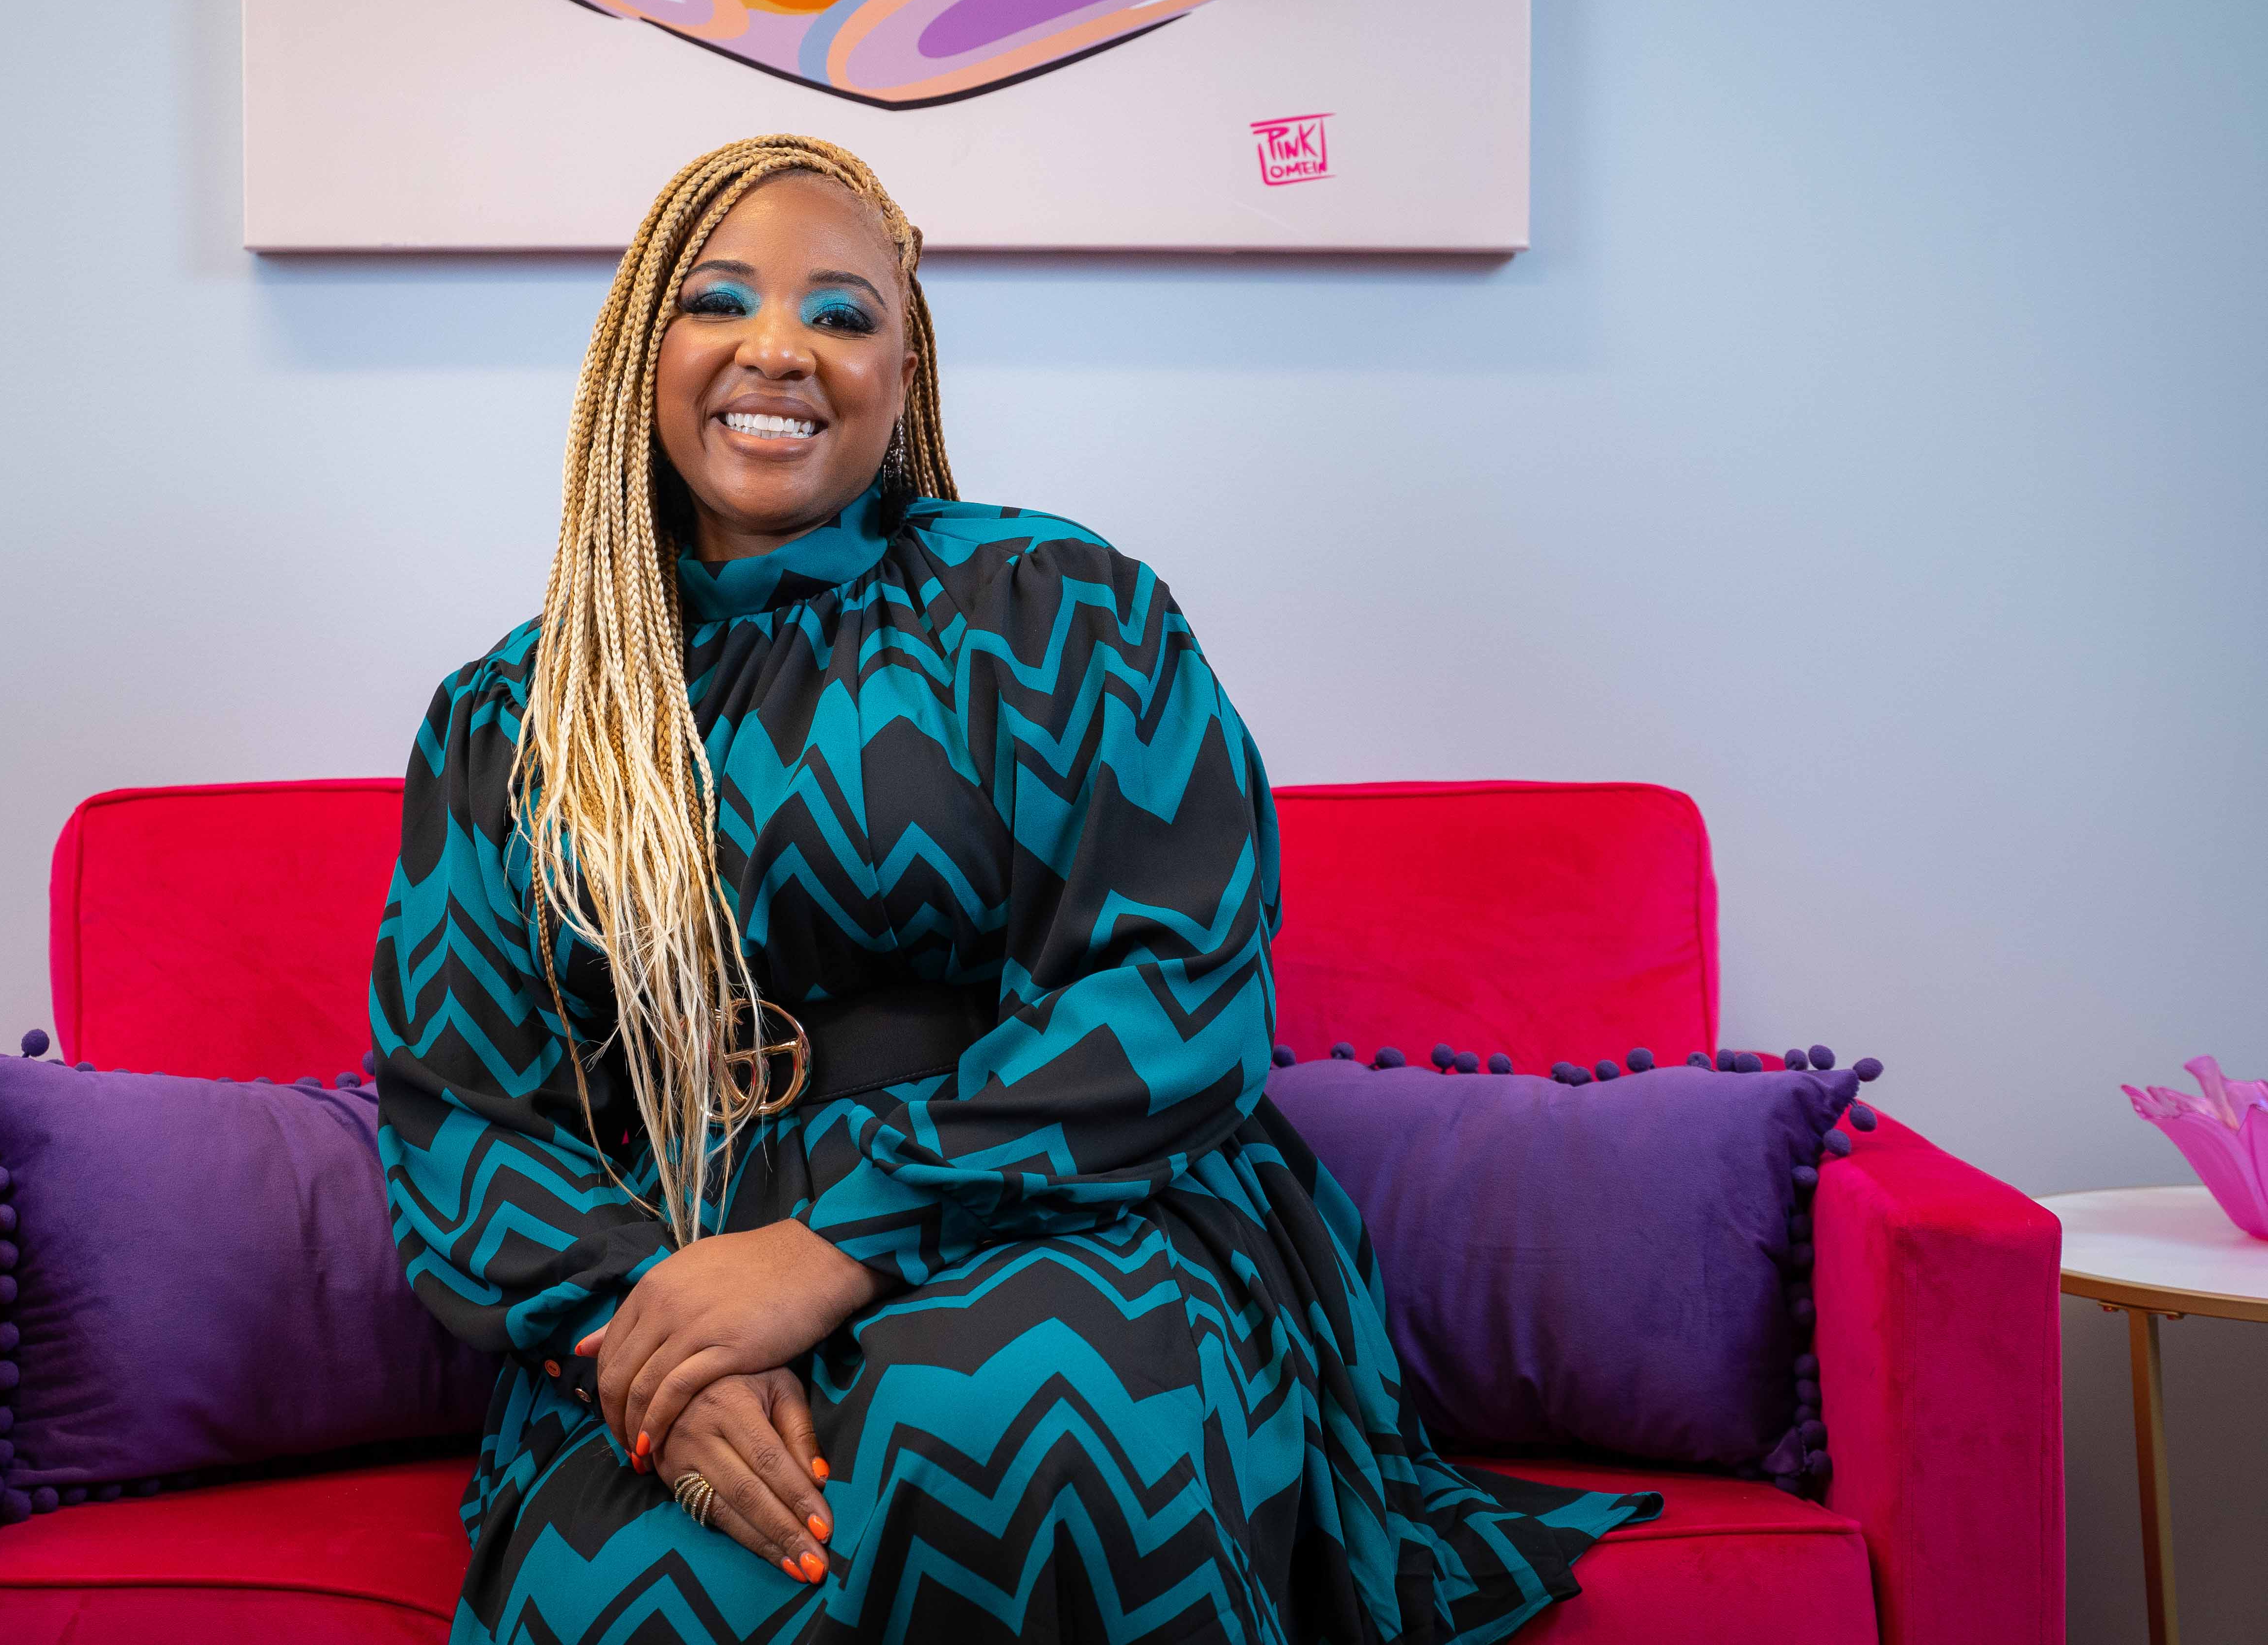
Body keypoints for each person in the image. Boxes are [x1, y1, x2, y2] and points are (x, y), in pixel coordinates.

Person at [371, 135, 1657, 1642]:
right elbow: (457, 1105)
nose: (780, 346)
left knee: (1028, 1429)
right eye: (719, 300)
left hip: (1042, 1219)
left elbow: (1177, 987)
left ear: (903, 381)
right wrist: (648, 1347)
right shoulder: (511, 716)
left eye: (844, 316)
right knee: (646, 1584)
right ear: (636, 357)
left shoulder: (1052, 612)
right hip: (676, 1265)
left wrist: (836, 1241)